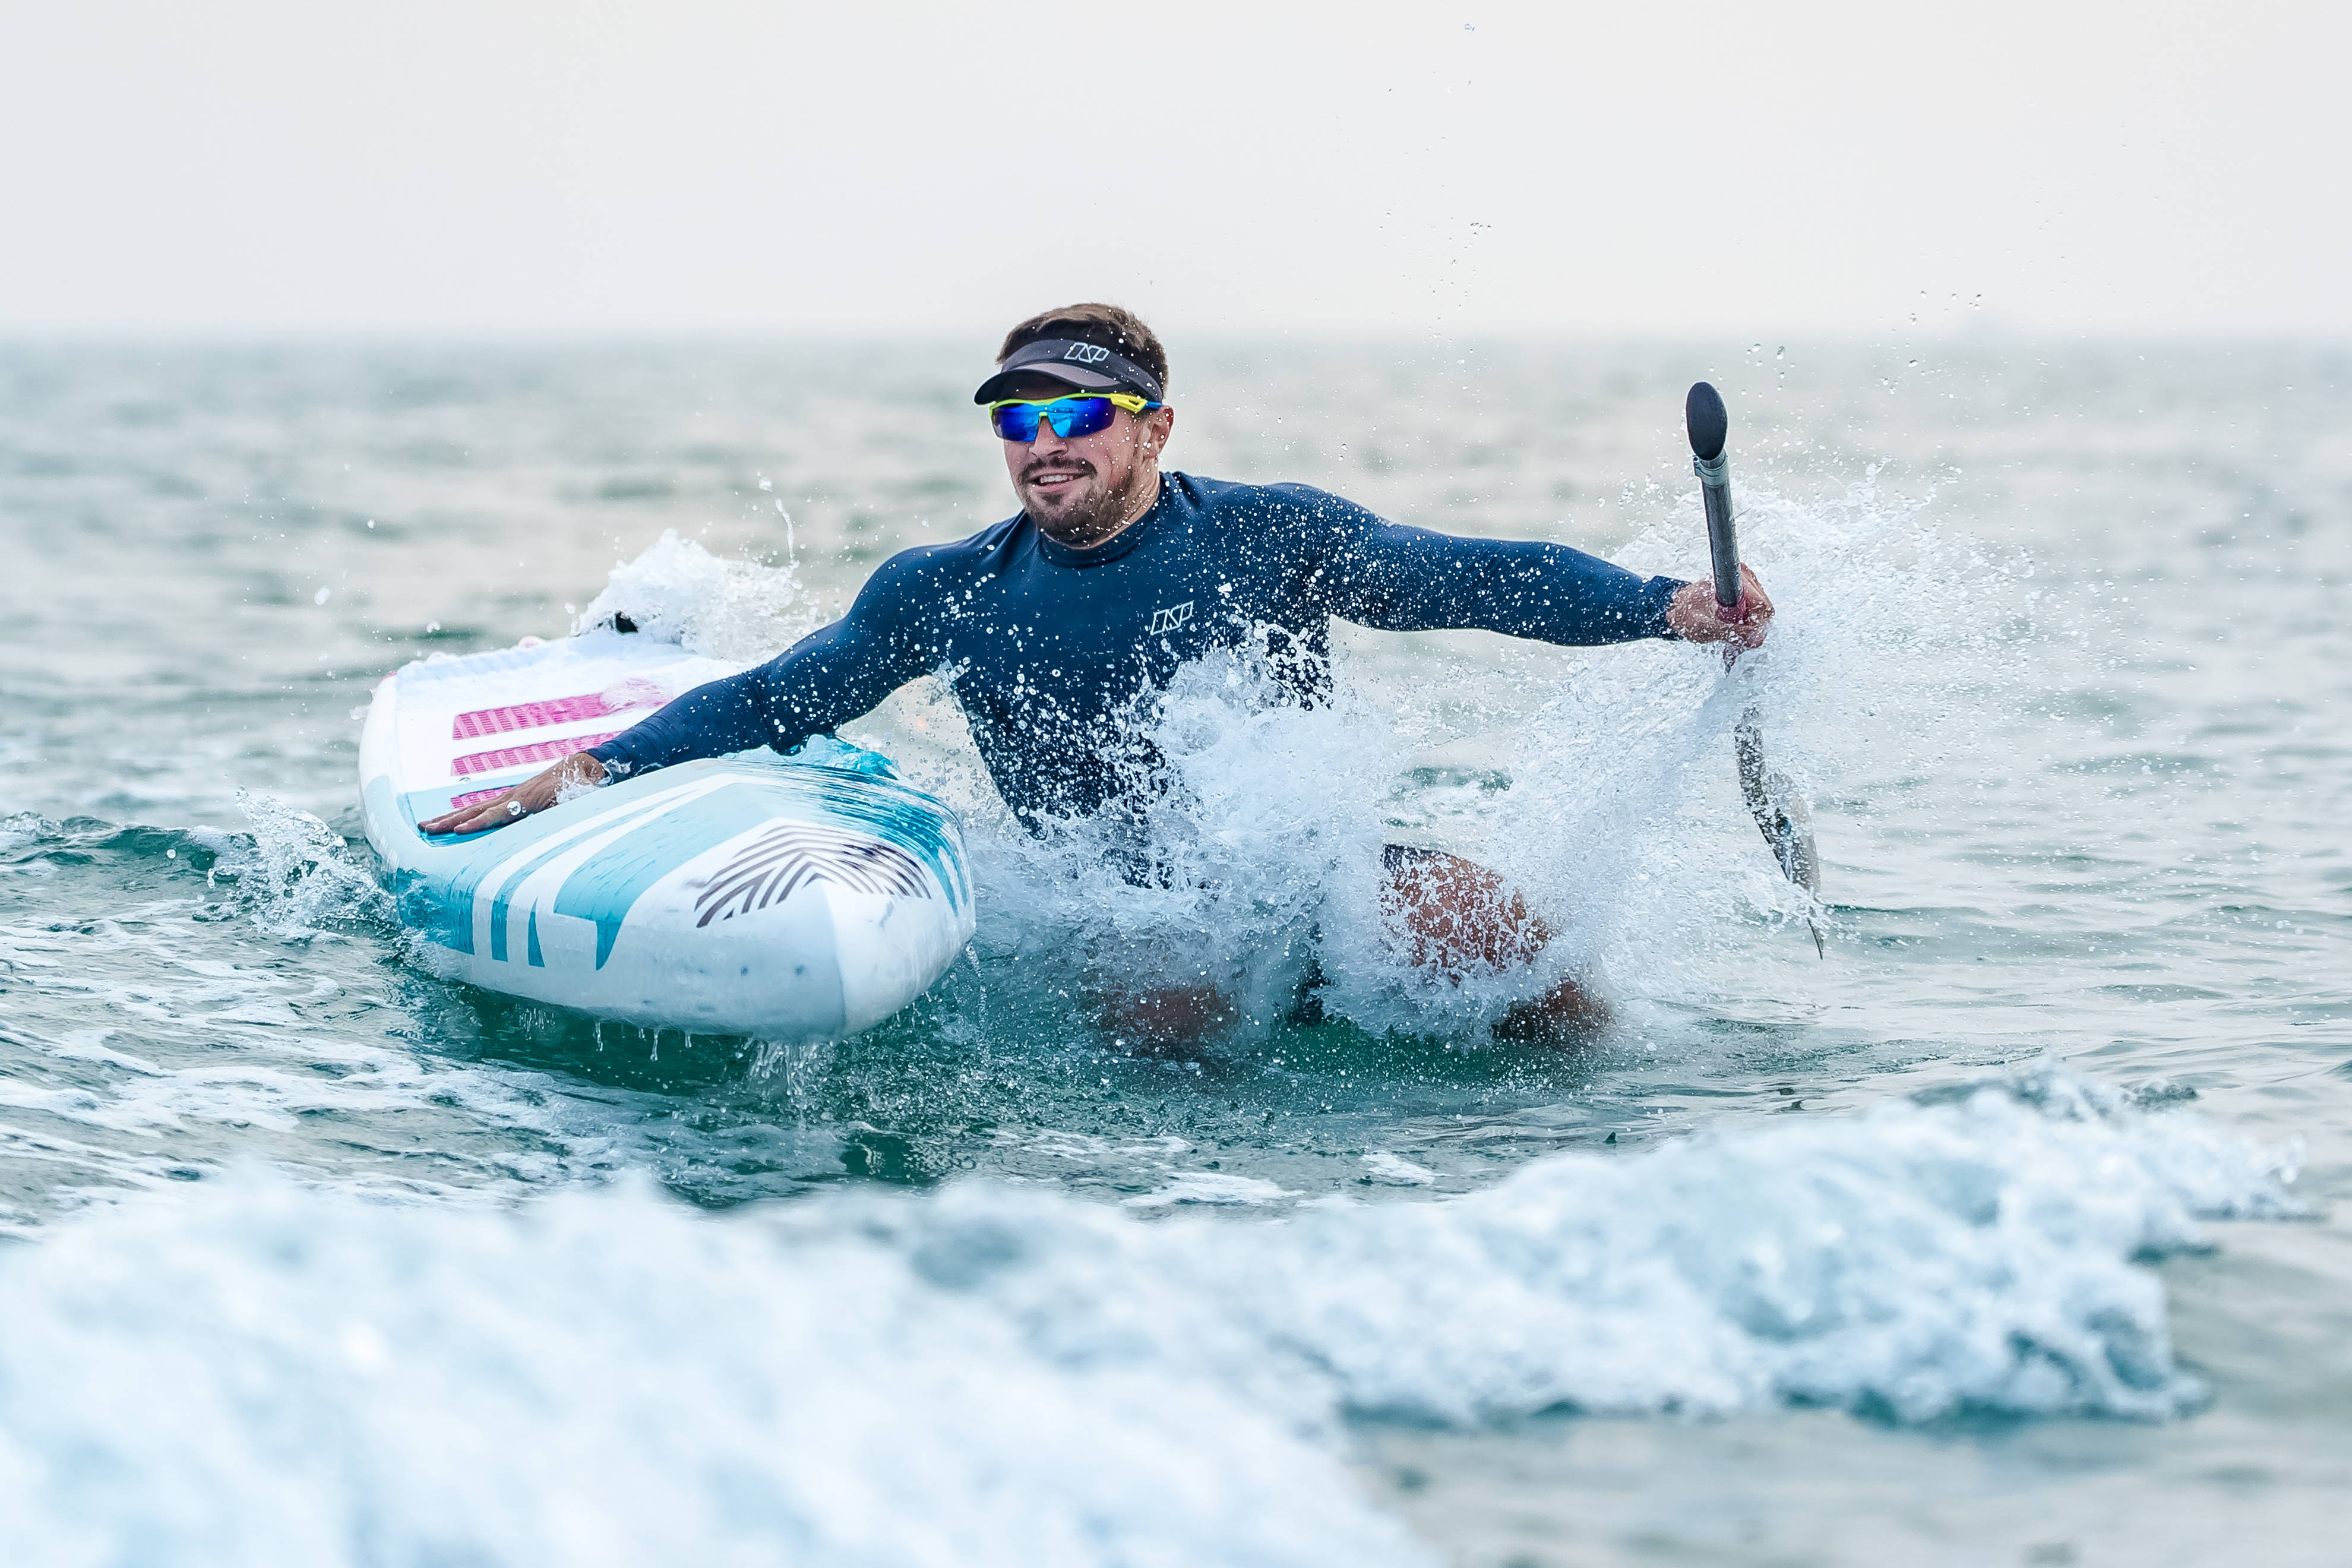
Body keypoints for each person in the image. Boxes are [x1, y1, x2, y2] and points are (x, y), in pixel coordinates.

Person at [422, 304, 1772, 1042]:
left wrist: (1669, 606)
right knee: (1172, 1004)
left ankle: (1622, 1153)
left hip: (1313, 873)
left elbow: (1470, 577)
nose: (1041, 443)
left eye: (1075, 415)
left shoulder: (1268, 537)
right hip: (1123, 906)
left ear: (1152, 430)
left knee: (1514, 949)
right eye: (1019, 419)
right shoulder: (947, 590)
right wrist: (596, 766)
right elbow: (786, 697)